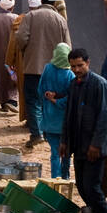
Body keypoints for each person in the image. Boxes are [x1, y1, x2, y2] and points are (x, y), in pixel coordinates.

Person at [60, 48, 107, 213]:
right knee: (82, 186)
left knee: (92, 187)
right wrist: (64, 141)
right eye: (73, 66)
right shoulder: (74, 84)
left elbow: (105, 117)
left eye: (80, 65)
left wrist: (96, 144)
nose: (76, 70)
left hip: (94, 148)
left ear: (88, 63)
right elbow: (68, 115)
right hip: (78, 144)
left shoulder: (100, 84)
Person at [15, 0, 71, 149]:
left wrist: (27, 51)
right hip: (55, 69)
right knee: (49, 100)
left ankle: (36, 135)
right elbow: (67, 46)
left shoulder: (31, 16)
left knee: (33, 101)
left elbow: (20, 38)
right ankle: (47, 133)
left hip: (34, 67)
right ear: (54, 4)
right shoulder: (60, 20)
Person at [38, 43, 74, 179]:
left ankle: (55, 178)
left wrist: (49, 100)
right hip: (65, 124)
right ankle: (65, 177)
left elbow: (40, 91)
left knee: (54, 152)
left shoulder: (47, 69)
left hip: (49, 121)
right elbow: (70, 99)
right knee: (66, 153)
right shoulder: (70, 75)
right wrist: (58, 101)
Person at [0, 0, 19, 112]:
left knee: (1, 76)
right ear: (12, 7)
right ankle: (12, 100)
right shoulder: (16, 18)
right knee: (13, 75)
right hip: (13, 53)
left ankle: (3, 102)